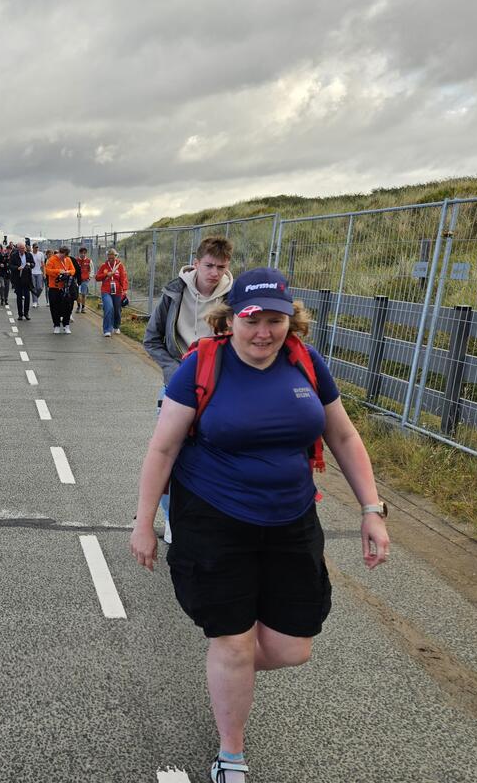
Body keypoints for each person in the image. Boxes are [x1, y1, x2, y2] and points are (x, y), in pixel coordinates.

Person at [130, 267, 390, 783]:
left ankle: (226, 667)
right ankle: (231, 755)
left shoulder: (306, 363)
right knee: (233, 639)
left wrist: (371, 509)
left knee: (293, 648)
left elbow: (343, 437)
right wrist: (143, 523)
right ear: (230, 319)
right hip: (212, 519)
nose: (264, 332)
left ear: (291, 323)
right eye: (252, 319)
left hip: (292, 520)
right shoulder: (202, 366)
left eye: (276, 321)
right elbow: (163, 447)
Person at [142, 236, 234, 542]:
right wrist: (174, 372)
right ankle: (171, 517)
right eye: (209, 265)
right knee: (169, 453)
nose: (214, 273)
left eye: (221, 267)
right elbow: (151, 339)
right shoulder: (173, 292)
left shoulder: (234, 299)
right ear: (196, 263)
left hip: (219, 389)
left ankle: (215, 518)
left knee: (217, 455)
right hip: (178, 386)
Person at [95, 248, 128, 337]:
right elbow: (97, 277)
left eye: (112, 256)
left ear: (115, 256)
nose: (110, 258)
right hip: (106, 291)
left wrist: (124, 290)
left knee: (117, 310)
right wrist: (106, 274)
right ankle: (107, 329)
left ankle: (116, 326)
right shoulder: (104, 266)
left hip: (117, 291)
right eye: (109, 256)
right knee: (109, 308)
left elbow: (123, 278)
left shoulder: (120, 266)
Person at [44, 246, 77, 333]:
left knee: (67, 306)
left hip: (65, 287)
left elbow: (73, 270)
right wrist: (58, 271)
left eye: (65, 256)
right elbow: (47, 271)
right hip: (54, 287)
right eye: (63, 255)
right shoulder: (52, 259)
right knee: (54, 306)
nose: (64, 257)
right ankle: (56, 325)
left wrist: (67, 272)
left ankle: (66, 325)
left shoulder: (68, 259)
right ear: (60, 253)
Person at [9, 242, 35, 321]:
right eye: (21, 248)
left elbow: (33, 264)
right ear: (18, 249)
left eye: (24, 248)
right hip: (18, 279)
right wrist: (17, 268)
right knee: (19, 297)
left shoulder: (29, 255)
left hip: (27, 279)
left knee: (27, 296)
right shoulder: (14, 255)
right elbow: (10, 266)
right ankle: (20, 314)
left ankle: (26, 313)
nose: (23, 250)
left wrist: (30, 264)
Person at [75, 248, 93, 314]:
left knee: (83, 294)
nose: (83, 254)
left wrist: (89, 277)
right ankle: (78, 306)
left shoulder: (89, 261)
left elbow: (92, 270)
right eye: (82, 253)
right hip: (77, 280)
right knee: (77, 294)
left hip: (85, 280)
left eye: (84, 253)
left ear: (86, 253)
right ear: (79, 253)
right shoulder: (76, 260)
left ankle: (83, 307)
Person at [29, 243, 46, 309]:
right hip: (32, 272)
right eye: (35, 247)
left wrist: (44, 273)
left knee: (40, 287)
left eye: (37, 247)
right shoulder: (30, 254)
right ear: (33, 248)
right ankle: (35, 302)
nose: (36, 248)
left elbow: (43, 265)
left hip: (39, 272)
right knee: (33, 287)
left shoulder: (41, 254)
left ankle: (36, 297)